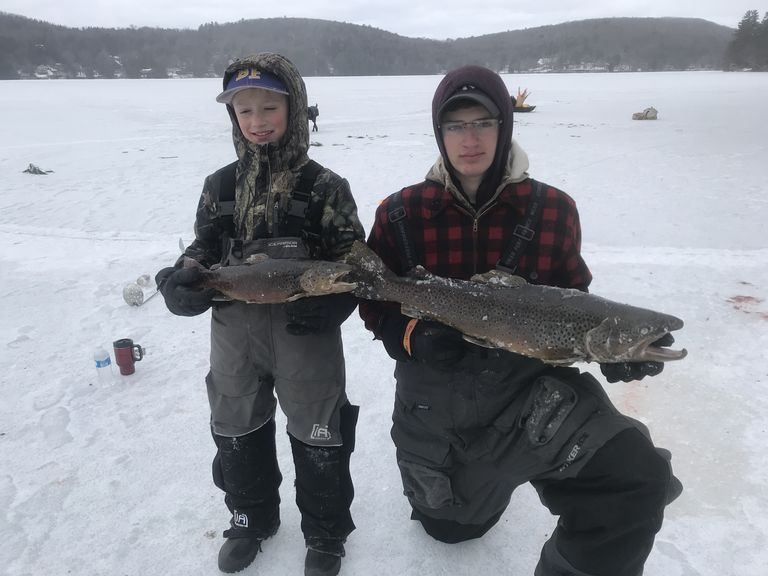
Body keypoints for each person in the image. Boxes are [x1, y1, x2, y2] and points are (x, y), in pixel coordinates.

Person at [359, 64, 682, 576]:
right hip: (436, 404)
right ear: (439, 133)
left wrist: (615, 355)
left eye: (483, 122)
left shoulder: (553, 210)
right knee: (451, 528)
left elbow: (574, 302)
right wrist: (411, 335)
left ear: (504, 126)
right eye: (455, 125)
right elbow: (374, 300)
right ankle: (477, 489)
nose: (470, 139)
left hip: (530, 399)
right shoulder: (400, 213)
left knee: (635, 481)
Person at [155, 53, 364, 576]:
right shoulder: (218, 185)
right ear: (233, 118)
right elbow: (202, 248)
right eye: (244, 111)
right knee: (234, 421)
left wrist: (342, 298)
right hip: (234, 329)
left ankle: (325, 530)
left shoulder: (325, 186)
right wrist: (177, 281)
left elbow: (355, 259)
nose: (257, 120)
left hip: (304, 330)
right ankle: (249, 516)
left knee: (320, 426)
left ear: (293, 108)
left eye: (269, 107)